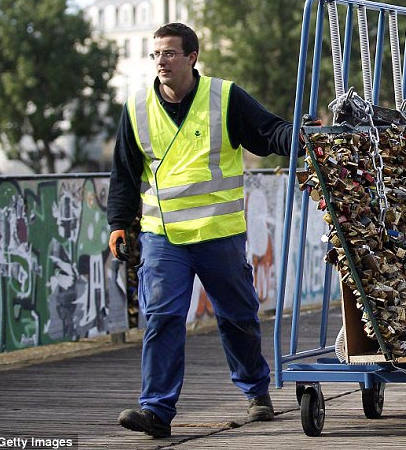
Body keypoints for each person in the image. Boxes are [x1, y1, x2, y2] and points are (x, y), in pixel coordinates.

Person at [107, 23, 294, 438]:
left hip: (218, 233)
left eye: (170, 53)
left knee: (238, 316)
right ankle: (155, 410)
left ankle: (256, 392)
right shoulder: (137, 108)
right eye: (156, 54)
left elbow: (267, 133)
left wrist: (301, 135)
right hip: (164, 237)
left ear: (192, 57)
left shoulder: (224, 97)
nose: (161, 61)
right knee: (162, 318)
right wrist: (119, 224)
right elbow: (124, 173)